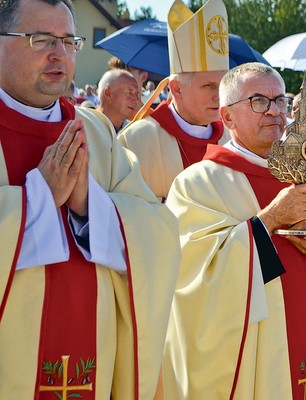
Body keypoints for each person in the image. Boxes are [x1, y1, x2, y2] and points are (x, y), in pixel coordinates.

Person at [162, 62, 306, 399]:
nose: (274, 111)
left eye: (280, 100)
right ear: (227, 117)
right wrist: (271, 219)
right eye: (258, 101)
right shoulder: (198, 185)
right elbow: (194, 280)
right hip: (249, 362)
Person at [0, 0, 180, 398]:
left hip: (95, 353)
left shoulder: (97, 133)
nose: (58, 54)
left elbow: (160, 232)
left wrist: (90, 206)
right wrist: (37, 199)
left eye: (68, 41)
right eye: (41, 39)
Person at [118, 0, 227, 200]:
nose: (219, 95)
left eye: (223, 85)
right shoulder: (136, 140)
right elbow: (126, 212)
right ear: (176, 88)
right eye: (209, 86)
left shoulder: (232, 138)